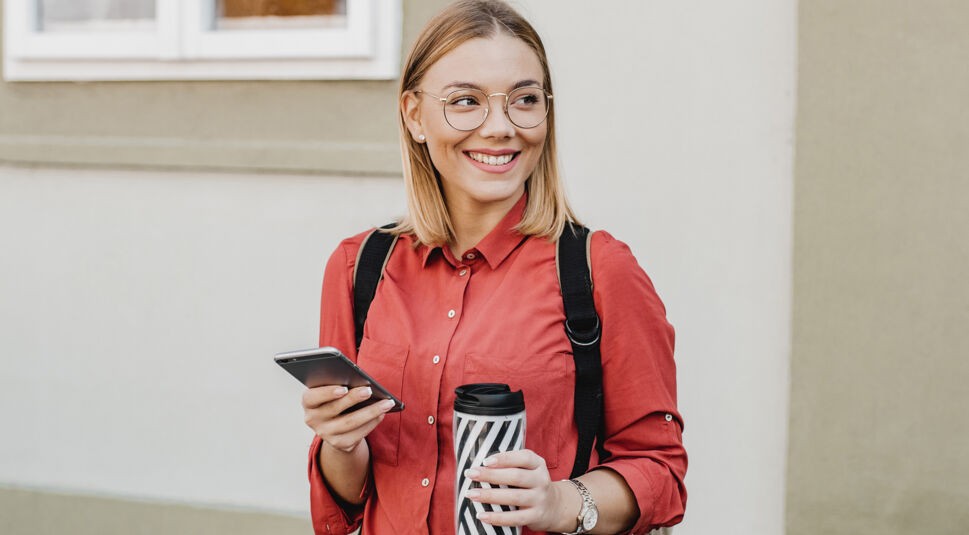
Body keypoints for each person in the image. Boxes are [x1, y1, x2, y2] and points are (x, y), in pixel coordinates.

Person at [299, 1, 687, 533]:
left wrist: (556, 500)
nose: (501, 127)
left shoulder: (599, 271)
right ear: (414, 115)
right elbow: (349, 496)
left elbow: (660, 472)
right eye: (465, 101)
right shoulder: (358, 268)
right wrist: (340, 444)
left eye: (524, 100)